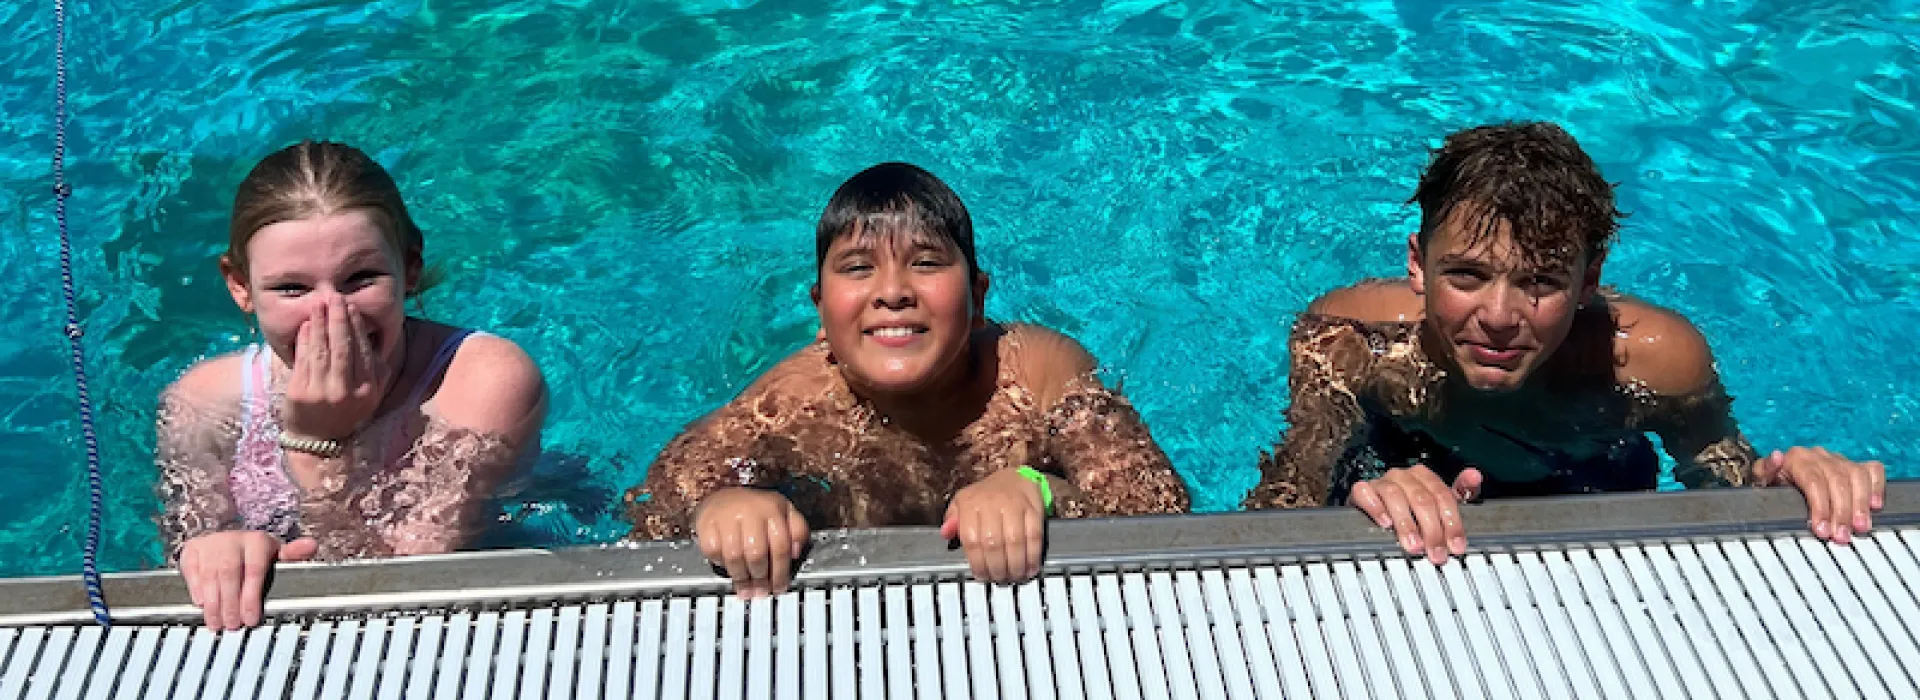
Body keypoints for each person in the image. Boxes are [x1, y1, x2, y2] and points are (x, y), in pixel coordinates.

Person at [1246, 122, 1886, 563]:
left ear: (1589, 280)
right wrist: (1359, 506)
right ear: (1417, 263)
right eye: (1466, 275)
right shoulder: (1349, 342)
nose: (1499, 316)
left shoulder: (1654, 363)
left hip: (1593, 488)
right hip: (1407, 479)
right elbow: (1281, 503)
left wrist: (1787, 487)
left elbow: (1721, 484)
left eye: (1540, 283)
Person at [625, 162, 1190, 596]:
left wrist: (1041, 489)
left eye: (925, 263)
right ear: (820, 313)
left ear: (976, 297)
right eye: (857, 268)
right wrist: (719, 508)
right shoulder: (788, 404)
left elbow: (1162, 515)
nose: (892, 292)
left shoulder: (1039, 374)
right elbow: (654, 505)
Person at [156, 141, 548, 629]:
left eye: (360, 278)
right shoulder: (204, 401)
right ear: (240, 286)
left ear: (410, 267)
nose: (331, 313)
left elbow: (409, 592)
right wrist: (214, 554)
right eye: (292, 288)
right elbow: (182, 561)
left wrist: (314, 445)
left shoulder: (485, 380)